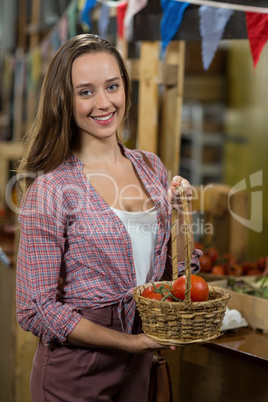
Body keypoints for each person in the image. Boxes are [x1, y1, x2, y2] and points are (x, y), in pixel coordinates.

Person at [16, 34, 201, 402]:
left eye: (112, 86)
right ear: (64, 101)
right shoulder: (51, 189)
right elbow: (35, 308)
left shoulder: (151, 167)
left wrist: (182, 215)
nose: (104, 103)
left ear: (125, 89)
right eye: (85, 92)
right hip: (77, 371)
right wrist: (129, 341)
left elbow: (176, 274)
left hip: (141, 363)